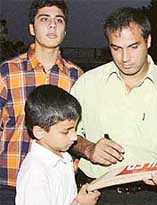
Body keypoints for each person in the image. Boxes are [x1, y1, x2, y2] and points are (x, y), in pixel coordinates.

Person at [70, 7, 157, 205]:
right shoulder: (87, 84)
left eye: (133, 46)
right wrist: (89, 149)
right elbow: (68, 136)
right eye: (116, 48)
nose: (125, 58)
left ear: (148, 41)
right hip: (97, 194)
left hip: (153, 195)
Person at [0, 0, 83, 204]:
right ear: (31, 28)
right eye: (44, 19)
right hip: (9, 183)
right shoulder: (7, 73)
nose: (52, 25)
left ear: (65, 30)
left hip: (58, 182)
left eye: (59, 20)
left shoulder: (77, 77)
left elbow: (79, 132)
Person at [15, 85, 100, 205]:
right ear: (39, 132)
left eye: (75, 129)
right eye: (66, 131)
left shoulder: (63, 157)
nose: (74, 137)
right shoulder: (35, 173)